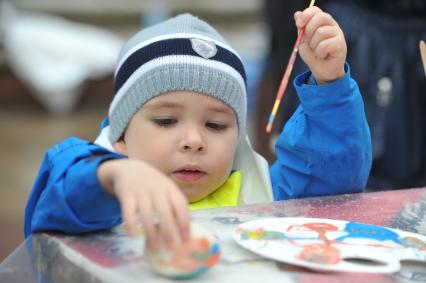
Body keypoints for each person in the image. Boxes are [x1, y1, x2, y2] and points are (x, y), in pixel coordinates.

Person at [24, 8, 372, 251]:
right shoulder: (99, 192)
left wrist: (329, 85)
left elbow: (331, 181)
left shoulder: (264, 194)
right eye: (166, 121)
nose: (193, 141)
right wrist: (112, 176)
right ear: (121, 135)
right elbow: (56, 193)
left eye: (216, 125)